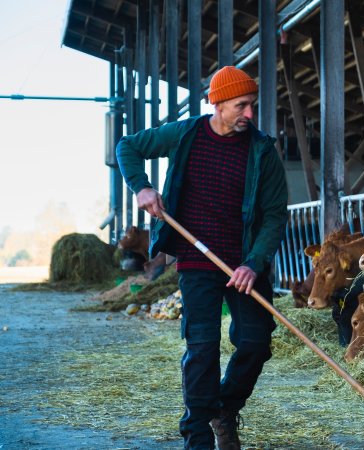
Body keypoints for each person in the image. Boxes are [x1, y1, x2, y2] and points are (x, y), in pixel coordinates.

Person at [116, 66, 288, 450]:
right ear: (218, 103)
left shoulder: (262, 151)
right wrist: (142, 187)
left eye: (252, 105)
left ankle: (224, 409)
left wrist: (254, 262)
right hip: (196, 259)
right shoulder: (186, 134)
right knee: (202, 347)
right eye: (241, 105)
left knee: (256, 343)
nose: (249, 114)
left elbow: (275, 215)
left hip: (244, 263)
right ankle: (197, 437)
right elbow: (127, 146)